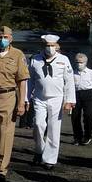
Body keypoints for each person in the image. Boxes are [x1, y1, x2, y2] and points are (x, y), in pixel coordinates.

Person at [0, 26, 29, 182]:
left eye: (6, 37)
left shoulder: (17, 55)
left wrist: (22, 102)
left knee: (5, 134)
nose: (2, 39)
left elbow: (22, 81)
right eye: (0, 36)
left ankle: (1, 168)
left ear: (11, 38)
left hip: (8, 96)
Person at [28, 35, 75, 170]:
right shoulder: (35, 59)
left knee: (54, 128)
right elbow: (29, 80)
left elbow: (69, 81)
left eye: (53, 45)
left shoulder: (63, 60)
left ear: (57, 46)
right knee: (38, 124)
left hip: (56, 98)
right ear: (43, 46)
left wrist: (69, 100)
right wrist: (26, 99)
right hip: (39, 97)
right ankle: (39, 150)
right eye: (48, 45)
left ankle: (50, 159)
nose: (50, 48)